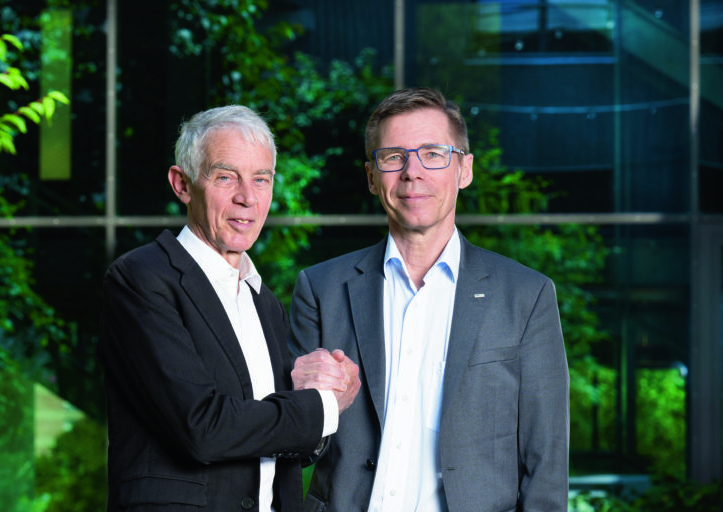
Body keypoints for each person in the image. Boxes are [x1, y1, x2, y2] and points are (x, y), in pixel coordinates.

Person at [289, 87, 570, 512]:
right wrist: (306, 403)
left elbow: (546, 465)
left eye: (433, 154)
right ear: (371, 176)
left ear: (464, 169)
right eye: (393, 157)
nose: (412, 172)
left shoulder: (526, 297)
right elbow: (295, 446)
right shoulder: (320, 288)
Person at [97, 105, 360, 512]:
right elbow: (202, 427)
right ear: (182, 185)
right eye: (225, 177)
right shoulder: (141, 279)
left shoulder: (263, 302)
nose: (247, 198)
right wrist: (324, 406)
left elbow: (263, 436)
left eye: (261, 179)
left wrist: (318, 388)